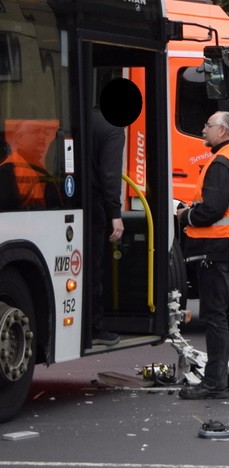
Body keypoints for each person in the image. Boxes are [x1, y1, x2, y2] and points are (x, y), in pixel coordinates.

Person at [176, 112, 229, 399]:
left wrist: (185, 215)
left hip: (217, 248)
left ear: (222, 130)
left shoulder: (222, 162)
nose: (203, 129)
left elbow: (211, 210)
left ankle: (215, 383)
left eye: (207, 125)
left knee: (215, 316)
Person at [89, 107, 126, 347]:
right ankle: (94, 326)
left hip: (65, 197)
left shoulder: (80, 116)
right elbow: (110, 175)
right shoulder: (112, 129)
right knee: (93, 267)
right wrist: (115, 213)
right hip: (94, 206)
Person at [0, 119, 61, 210]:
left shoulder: (39, 168)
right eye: (36, 131)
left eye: (44, 133)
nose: (42, 136)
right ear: (19, 137)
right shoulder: (7, 170)